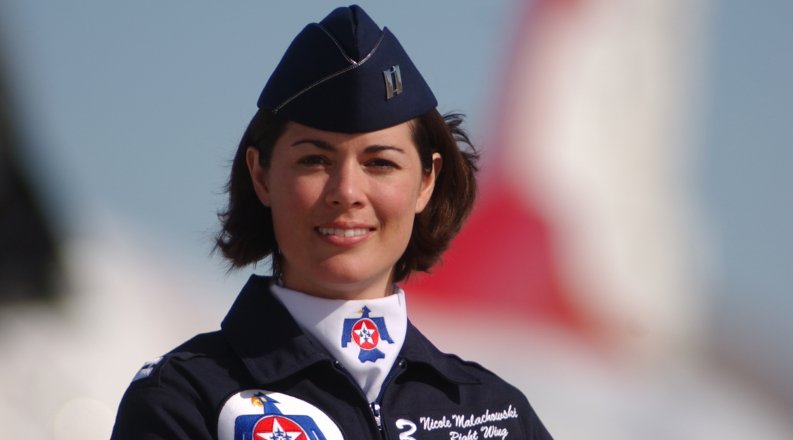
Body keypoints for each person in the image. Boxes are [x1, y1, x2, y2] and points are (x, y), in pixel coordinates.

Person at [111, 5, 552, 439]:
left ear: (426, 182)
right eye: (314, 160)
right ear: (261, 175)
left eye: (379, 163)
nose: (346, 191)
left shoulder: (495, 413)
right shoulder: (185, 401)